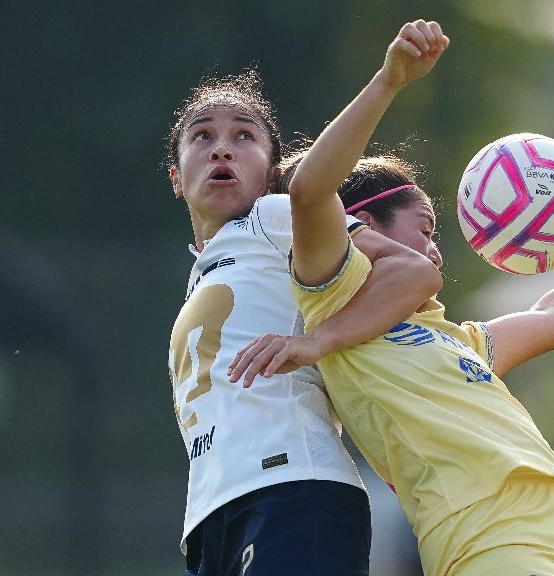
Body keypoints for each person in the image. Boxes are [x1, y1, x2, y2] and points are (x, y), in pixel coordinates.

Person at [228, 17, 554, 576]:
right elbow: (311, 190)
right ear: (360, 226)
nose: (436, 249)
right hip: (490, 542)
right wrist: (390, 81)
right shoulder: (335, 294)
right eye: (425, 227)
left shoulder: (459, 339)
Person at [164, 66, 442, 576]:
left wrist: (319, 340)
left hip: (292, 491)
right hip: (214, 519)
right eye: (202, 136)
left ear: (271, 174)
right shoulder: (202, 274)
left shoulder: (272, 217)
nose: (221, 149)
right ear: (177, 177)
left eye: (243, 136)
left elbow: (412, 271)